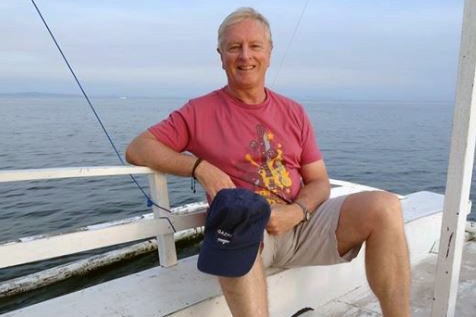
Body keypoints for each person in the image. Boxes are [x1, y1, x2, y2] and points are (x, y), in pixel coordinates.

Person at [126, 7, 410, 317]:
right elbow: (139, 147)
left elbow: (319, 181)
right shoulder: (199, 111)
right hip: (247, 233)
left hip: (301, 224)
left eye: (254, 46)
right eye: (234, 47)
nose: (245, 55)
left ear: (269, 52)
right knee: (237, 221)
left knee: (385, 206)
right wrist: (200, 167)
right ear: (220, 55)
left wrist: (296, 211)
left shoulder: (293, 111)